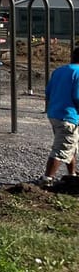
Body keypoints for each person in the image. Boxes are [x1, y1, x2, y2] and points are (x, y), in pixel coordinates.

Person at [39, 45, 79, 186]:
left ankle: (72, 174)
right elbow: (77, 97)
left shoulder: (59, 71)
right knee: (62, 148)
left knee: (70, 145)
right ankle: (47, 179)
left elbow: (48, 92)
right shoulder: (78, 73)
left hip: (55, 114)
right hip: (69, 116)